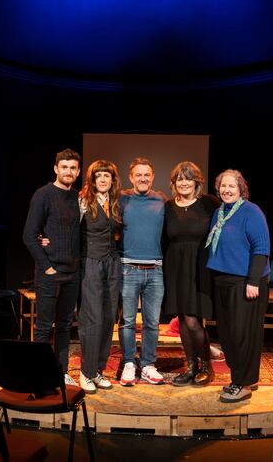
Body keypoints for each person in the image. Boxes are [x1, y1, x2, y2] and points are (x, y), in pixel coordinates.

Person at [206, 169, 270, 403]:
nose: (226, 190)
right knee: (227, 334)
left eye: (232, 186)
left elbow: (261, 247)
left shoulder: (250, 211)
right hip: (223, 280)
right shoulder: (219, 212)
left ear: (241, 188)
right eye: (223, 186)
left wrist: (253, 281)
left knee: (243, 334)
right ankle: (245, 378)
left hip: (246, 281)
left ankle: (241, 383)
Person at [22, 148, 82, 385]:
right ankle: (38, 374)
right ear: (56, 169)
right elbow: (29, 235)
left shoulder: (77, 196)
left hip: (72, 272)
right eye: (64, 167)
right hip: (50, 273)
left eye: (73, 168)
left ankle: (61, 371)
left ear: (78, 171)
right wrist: (47, 267)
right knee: (44, 327)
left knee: (65, 327)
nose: (68, 171)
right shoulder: (43, 195)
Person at [162, 161, 220, 387]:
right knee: (183, 320)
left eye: (188, 178)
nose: (184, 182)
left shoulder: (209, 204)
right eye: (179, 179)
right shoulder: (168, 207)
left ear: (197, 182)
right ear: (174, 183)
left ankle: (206, 366)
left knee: (194, 321)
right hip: (175, 266)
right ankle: (191, 366)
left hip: (200, 267)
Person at [118, 157, 167, 386]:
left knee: (152, 323)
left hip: (155, 271)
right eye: (138, 174)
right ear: (131, 177)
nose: (143, 178)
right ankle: (129, 363)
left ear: (153, 176)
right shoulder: (121, 199)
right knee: (128, 321)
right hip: (128, 268)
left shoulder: (161, 200)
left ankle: (147, 365)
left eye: (147, 174)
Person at [76, 160, 122, 393]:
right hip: (91, 263)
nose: (103, 179)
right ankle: (86, 371)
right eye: (99, 176)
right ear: (92, 179)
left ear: (113, 180)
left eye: (107, 175)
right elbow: (68, 228)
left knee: (107, 318)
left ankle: (98, 370)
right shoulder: (83, 201)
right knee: (92, 319)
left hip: (112, 264)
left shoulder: (115, 202)